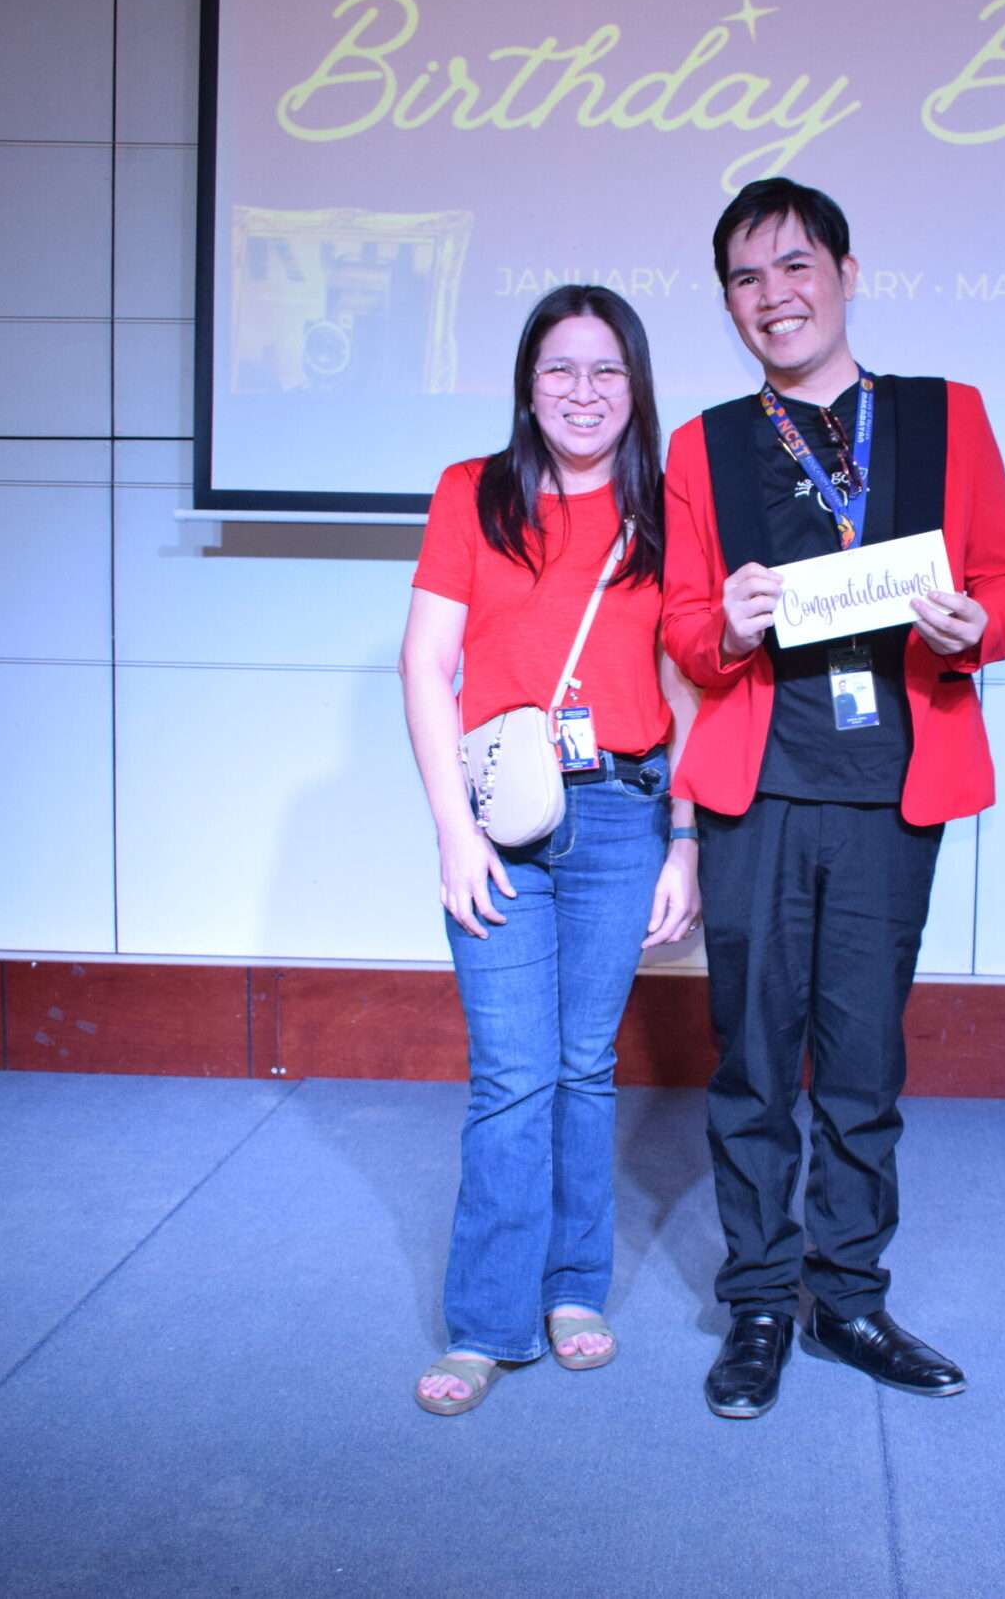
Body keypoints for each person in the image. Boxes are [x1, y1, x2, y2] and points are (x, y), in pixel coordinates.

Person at [661, 178, 1005, 1418]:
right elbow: (681, 628)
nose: (773, 295)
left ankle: (851, 1298)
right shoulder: (704, 444)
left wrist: (980, 625)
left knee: (865, 1062)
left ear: (846, 273)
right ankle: (761, 1303)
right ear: (728, 302)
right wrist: (723, 624)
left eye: (794, 266)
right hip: (758, 788)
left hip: (894, 784)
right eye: (746, 277)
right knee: (755, 1062)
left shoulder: (944, 415)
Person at [399, 284, 700, 1415]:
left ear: (637, 387)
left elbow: (686, 686)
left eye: (607, 369)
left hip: (624, 812)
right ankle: (486, 1321)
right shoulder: (471, 493)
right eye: (560, 368)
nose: (584, 391)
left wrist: (686, 845)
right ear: (528, 385)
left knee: (581, 1065)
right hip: (501, 818)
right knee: (511, 1074)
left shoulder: (666, 511)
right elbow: (426, 664)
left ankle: (574, 1287)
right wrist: (451, 831)